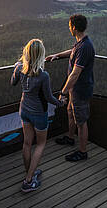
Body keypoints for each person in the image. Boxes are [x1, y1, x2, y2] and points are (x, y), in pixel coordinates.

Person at [11, 38, 61, 192]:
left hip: (24, 110)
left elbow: (13, 82)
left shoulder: (20, 68)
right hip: (39, 114)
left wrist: (15, 68)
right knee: (40, 144)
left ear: (26, 53)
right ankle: (28, 181)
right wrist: (61, 102)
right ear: (40, 55)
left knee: (27, 144)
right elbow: (48, 97)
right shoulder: (43, 75)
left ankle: (30, 174)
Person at [46, 14, 95, 162]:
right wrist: (57, 55)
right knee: (70, 113)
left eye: (69, 26)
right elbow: (72, 52)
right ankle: (70, 138)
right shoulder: (81, 43)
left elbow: (75, 74)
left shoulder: (85, 46)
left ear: (74, 27)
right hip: (75, 90)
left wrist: (63, 92)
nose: (69, 28)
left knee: (81, 121)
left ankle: (82, 152)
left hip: (80, 90)